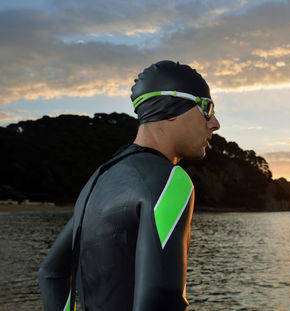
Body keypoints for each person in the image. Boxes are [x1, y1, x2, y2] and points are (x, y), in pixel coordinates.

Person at [38, 60, 220, 310]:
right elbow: (161, 296)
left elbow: (51, 274)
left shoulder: (98, 180)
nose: (215, 123)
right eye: (206, 108)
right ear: (171, 107)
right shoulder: (168, 180)